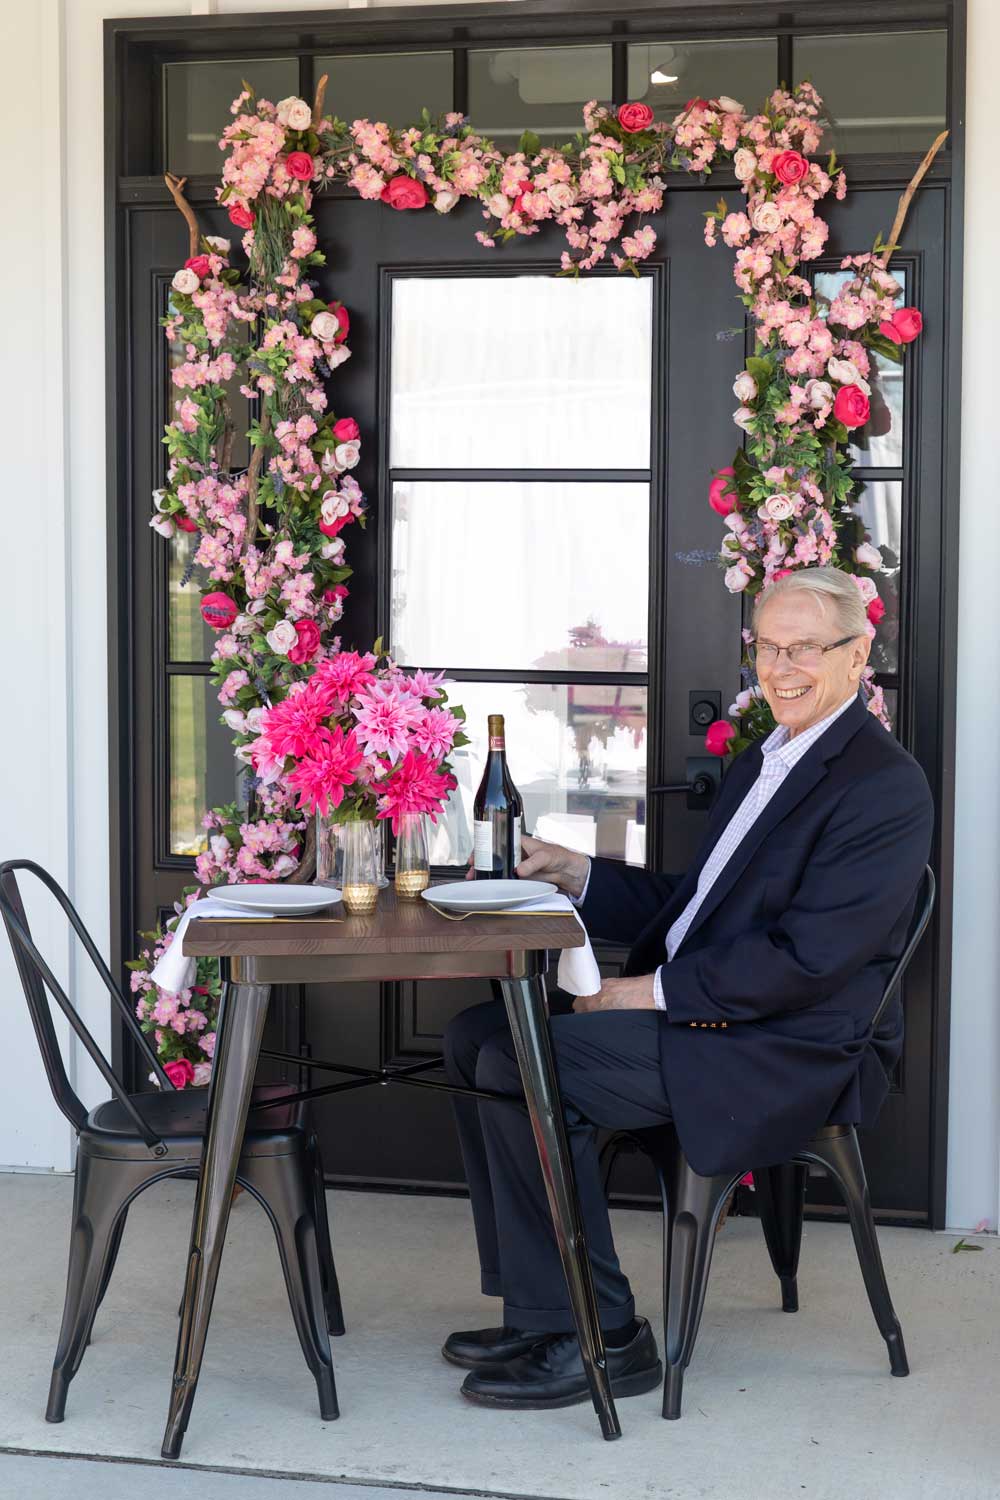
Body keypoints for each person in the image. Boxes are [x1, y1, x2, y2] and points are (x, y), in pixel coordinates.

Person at [441, 567, 934, 1410]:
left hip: (787, 1046)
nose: (780, 667)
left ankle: (604, 1335)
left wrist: (641, 993)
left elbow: (808, 961)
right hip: (724, 1016)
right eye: (768, 647)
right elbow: (698, 905)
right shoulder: (764, 762)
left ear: (858, 658)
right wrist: (578, 873)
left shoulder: (881, 785)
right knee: (475, 1037)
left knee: (522, 1060)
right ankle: (541, 1307)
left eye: (804, 649)